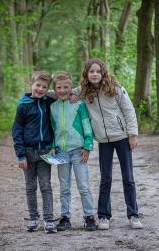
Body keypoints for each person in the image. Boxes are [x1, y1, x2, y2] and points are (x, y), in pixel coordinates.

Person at [74, 58, 143, 230]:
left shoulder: (115, 88)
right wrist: (43, 92)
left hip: (121, 137)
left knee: (128, 177)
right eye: (91, 71)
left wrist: (132, 134)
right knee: (105, 178)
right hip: (103, 141)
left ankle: (133, 214)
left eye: (98, 71)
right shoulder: (83, 91)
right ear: (86, 74)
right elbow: (65, 92)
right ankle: (104, 216)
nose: (95, 74)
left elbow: (129, 110)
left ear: (103, 72)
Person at [49, 71, 97, 232]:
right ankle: (65, 218)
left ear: (71, 88)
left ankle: (89, 217)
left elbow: (87, 126)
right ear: (54, 89)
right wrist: (52, 146)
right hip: (61, 152)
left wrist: (88, 146)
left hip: (78, 152)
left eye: (66, 87)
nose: (62, 90)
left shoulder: (79, 104)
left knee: (83, 185)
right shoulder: (52, 107)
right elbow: (52, 129)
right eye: (59, 87)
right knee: (64, 187)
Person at [12, 71, 57, 234]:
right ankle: (33, 217)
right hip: (28, 153)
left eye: (44, 87)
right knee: (30, 187)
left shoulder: (48, 102)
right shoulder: (23, 105)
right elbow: (17, 131)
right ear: (31, 84)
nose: (40, 89)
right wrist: (21, 155)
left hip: (45, 152)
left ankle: (49, 219)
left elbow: (62, 92)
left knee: (46, 185)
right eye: (38, 85)